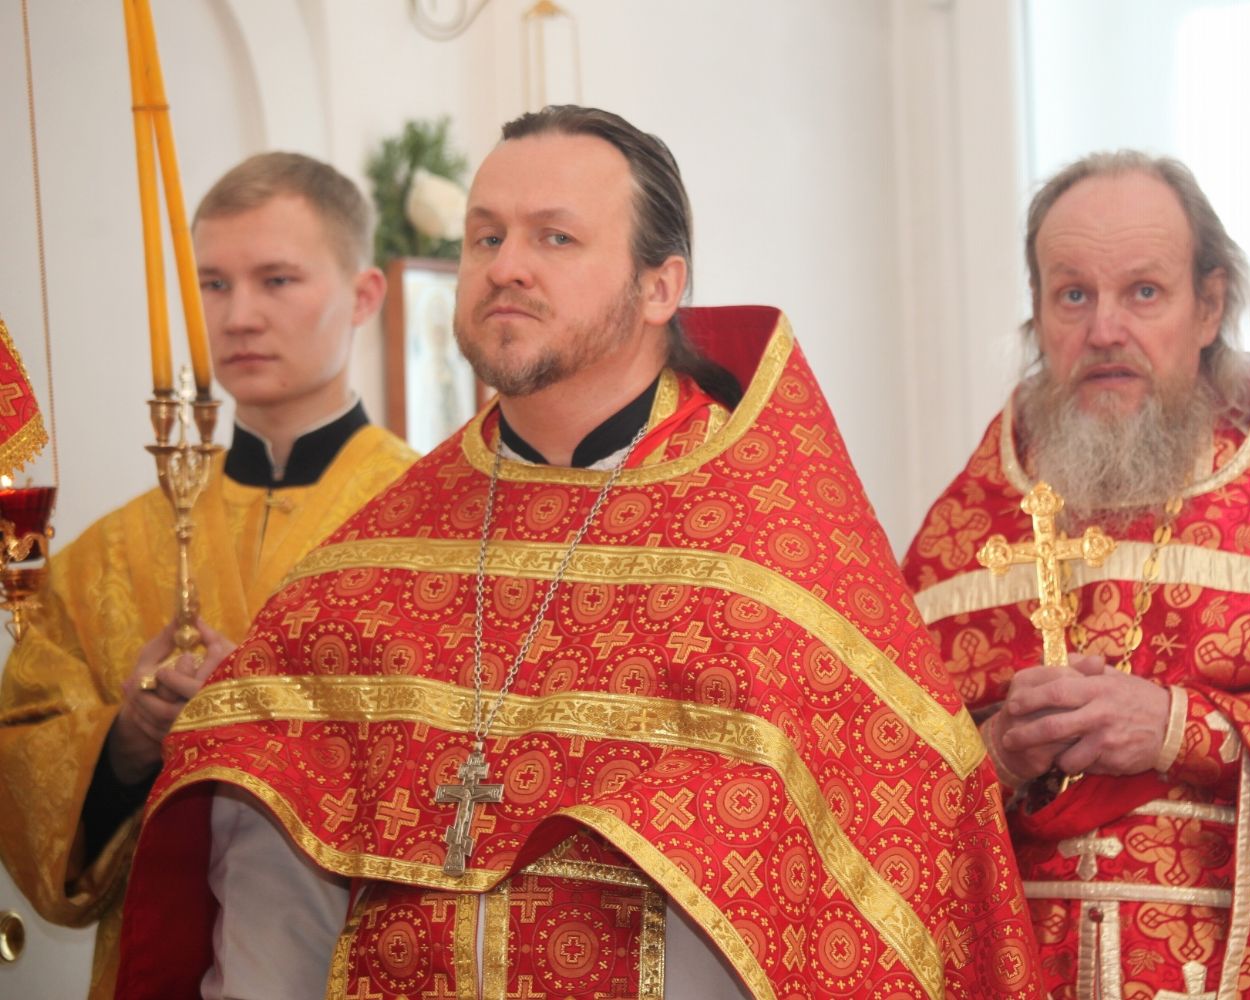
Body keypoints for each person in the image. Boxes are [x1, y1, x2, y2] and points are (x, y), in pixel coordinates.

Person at [116, 106, 1045, 999]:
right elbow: (273, 893)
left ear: (660, 288)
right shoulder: (370, 563)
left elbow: (864, 880)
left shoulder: (768, 550)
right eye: (485, 237)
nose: (505, 267)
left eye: (554, 237)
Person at [903, 150, 1250, 997]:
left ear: (1208, 306)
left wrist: (1183, 730)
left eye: (1143, 292)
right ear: (1036, 309)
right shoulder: (976, 515)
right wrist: (993, 753)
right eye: (1072, 295)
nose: (1104, 329)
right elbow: (884, 774)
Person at [0, 151, 418, 999]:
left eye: (277, 280)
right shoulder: (113, 552)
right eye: (213, 286)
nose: (239, 317)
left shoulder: (431, 521)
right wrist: (126, 738)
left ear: (363, 296)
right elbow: (28, 757)